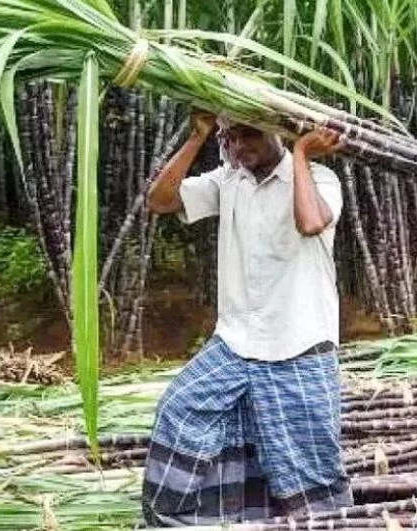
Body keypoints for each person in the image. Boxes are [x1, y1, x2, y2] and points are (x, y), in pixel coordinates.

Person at [140, 111, 352, 525]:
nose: (239, 147)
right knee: (179, 411)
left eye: (249, 135)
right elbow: (159, 201)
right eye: (230, 138)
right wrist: (198, 138)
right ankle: (188, 521)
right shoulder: (228, 180)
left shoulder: (319, 180)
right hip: (236, 343)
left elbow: (311, 222)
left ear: (278, 132)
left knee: (307, 467)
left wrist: (303, 153)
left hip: (299, 345)